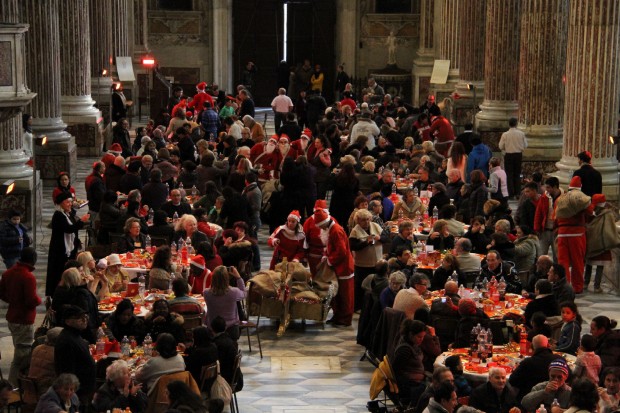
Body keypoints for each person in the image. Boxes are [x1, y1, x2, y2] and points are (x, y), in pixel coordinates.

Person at [0, 247, 41, 385]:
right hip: (23, 319)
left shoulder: (8, 273)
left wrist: (12, 300)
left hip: (12, 317)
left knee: (19, 350)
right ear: (33, 260)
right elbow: (31, 301)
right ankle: (14, 387)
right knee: (21, 356)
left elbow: (1, 293)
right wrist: (39, 300)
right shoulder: (28, 277)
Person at [314, 209, 355, 326]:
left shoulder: (336, 231)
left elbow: (341, 252)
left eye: (321, 226)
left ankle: (345, 319)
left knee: (344, 295)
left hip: (344, 268)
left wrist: (330, 260)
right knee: (336, 295)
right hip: (338, 267)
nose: (321, 229)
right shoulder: (331, 229)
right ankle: (337, 316)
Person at [46, 192, 90, 297]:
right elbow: (68, 229)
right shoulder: (58, 215)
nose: (70, 204)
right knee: (59, 272)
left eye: (71, 202)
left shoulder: (69, 213)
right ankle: (58, 294)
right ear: (61, 203)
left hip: (70, 249)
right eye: (67, 202)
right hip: (60, 250)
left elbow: (73, 229)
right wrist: (81, 221)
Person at [55, 306, 97, 406]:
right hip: (78, 394)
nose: (84, 320)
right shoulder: (67, 341)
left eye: (85, 316)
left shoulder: (75, 336)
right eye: (79, 318)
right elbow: (67, 371)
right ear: (68, 321)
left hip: (84, 391)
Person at [555, 176, 590, 294]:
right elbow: (589, 212)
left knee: (563, 262)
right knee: (577, 262)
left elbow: (555, 217)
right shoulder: (580, 198)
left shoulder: (560, 199)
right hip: (577, 234)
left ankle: (564, 286)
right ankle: (577, 287)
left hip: (562, 233)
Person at [349, 209, 387, 311]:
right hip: (362, 265)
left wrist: (379, 238)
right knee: (361, 287)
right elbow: (353, 247)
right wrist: (366, 242)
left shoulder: (375, 226)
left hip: (377, 263)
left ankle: (375, 305)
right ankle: (358, 307)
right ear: (358, 221)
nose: (366, 222)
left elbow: (386, 238)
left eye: (367, 219)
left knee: (377, 285)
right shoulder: (355, 231)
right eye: (363, 220)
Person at [509, 335, 563, 402]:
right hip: (556, 399)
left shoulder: (527, 362)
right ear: (548, 345)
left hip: (530, 399)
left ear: (532, 347)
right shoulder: (559, 360)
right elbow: (570, 377)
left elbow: (512, 381)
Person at [392, 319, 427, 407]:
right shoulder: (405, 350)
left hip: (416, 382)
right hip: (410, 385)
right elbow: (396, 371)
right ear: (411, 335)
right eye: (419, 337)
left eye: (423, 337)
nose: (421, 340)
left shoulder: (412, 343)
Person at [203, 266, 245, 339]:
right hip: (231, 329)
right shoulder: (234, 292)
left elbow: (212, 288)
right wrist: (238, 277)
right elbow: (244, 293)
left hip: (213, 329)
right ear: (227, 278)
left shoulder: (206, 293)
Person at [498, 118, 527, 199]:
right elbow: (526, 145)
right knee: (517, 174)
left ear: (509, 124)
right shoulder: (521, 134)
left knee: (509, 174)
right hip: (518, 155)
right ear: (516, 124)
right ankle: (518, 193)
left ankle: (510, 194)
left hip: (509, 155)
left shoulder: (505, 134)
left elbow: (500, 146)